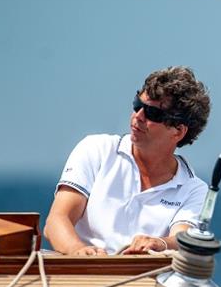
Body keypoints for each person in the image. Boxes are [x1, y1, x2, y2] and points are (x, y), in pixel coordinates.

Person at [44, 66, 211, 255]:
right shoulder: (95, 150)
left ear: (178, 131)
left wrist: (159, 243)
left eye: (152, 114)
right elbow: (57, 220)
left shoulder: (194, 189)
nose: (137, 116)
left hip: (145, 282)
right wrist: (78, 252)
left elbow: (182, 239)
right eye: (137, 105)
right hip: (84, 277)